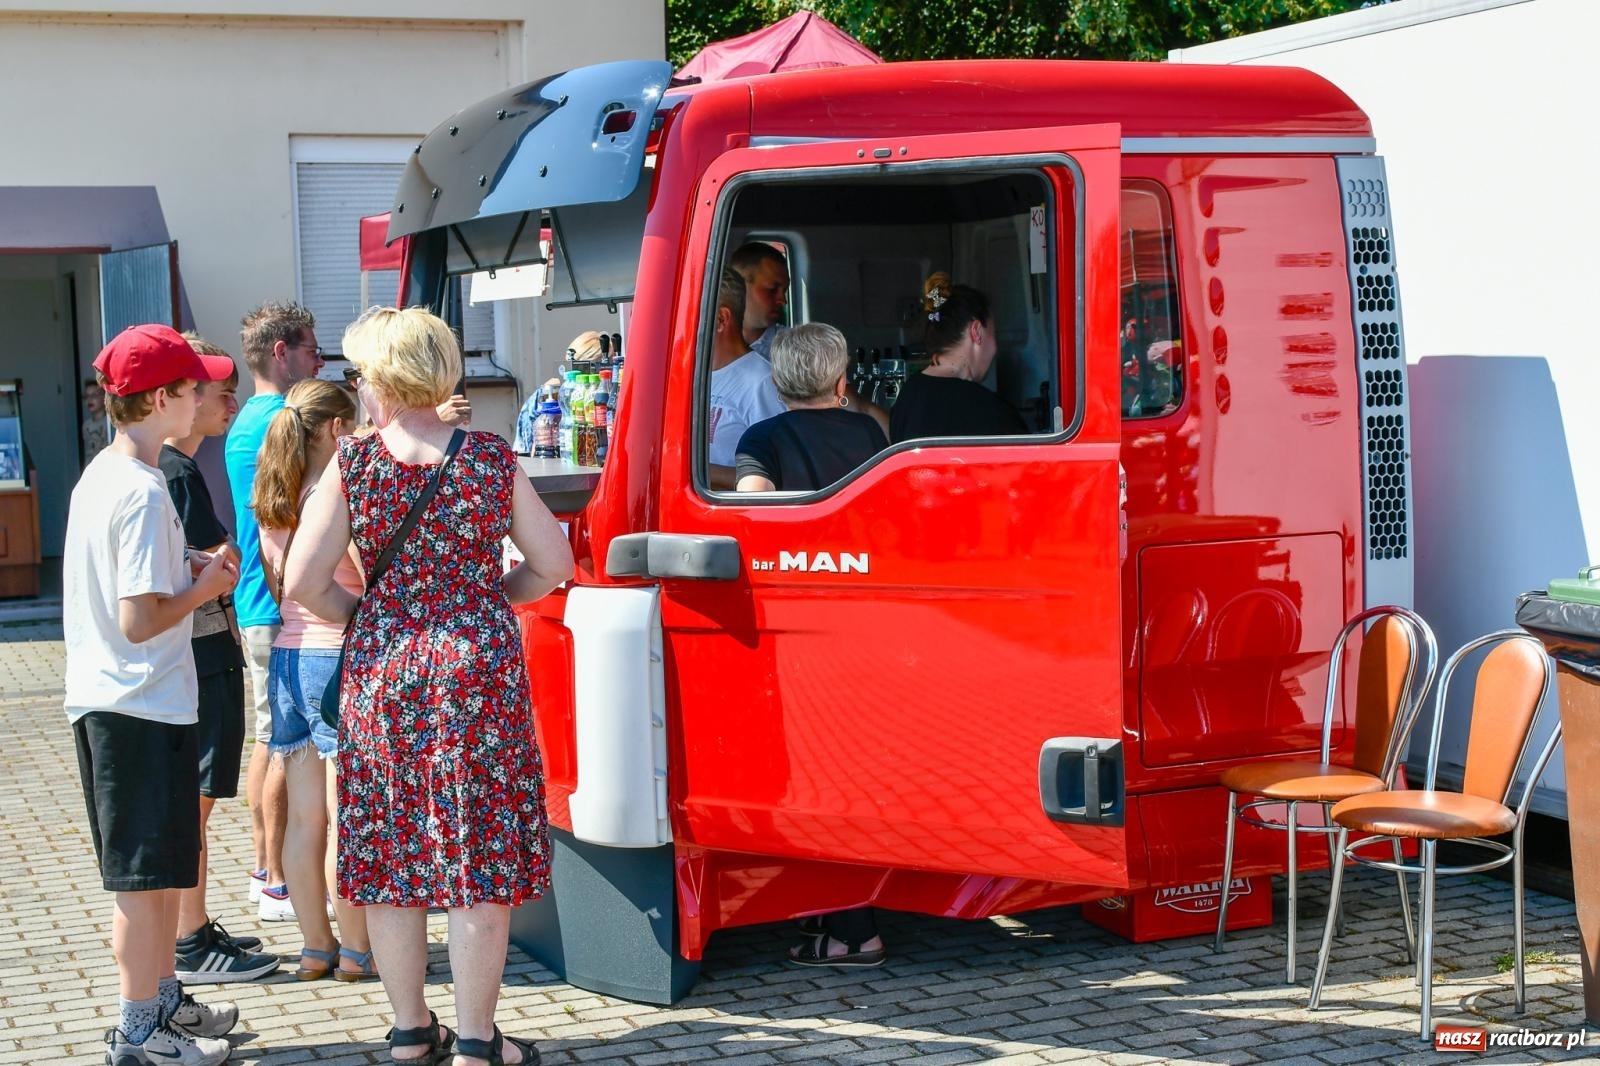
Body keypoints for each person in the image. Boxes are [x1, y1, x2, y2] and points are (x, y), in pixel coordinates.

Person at [286, 306, 574, 1066]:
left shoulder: (354, 464)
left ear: (381, 377)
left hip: (385, 671)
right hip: (477, 672)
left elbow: (302, 581)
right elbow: (554, 564)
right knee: (478, 857)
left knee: (393, 851)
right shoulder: (486, 458)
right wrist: (483, 602)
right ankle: (478, 1043)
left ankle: (412, 1031)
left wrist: (372, 613)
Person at [64, 324, 244, 1065]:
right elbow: (138, 619)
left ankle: (162, 1002)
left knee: (163, 870)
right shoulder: (139, 490)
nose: (204, 396)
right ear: (162, 398)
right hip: (134, 704)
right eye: (194, 386)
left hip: (135, 702)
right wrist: (205, 585)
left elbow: (131, 586)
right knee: (143, 884)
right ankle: (138, 1031)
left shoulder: (111, 473)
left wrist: (187, 564)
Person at [160, 335, 280, 982]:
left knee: (195, 804)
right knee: (194, 806)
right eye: (217, 391)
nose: (230, 403)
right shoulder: (174, 471)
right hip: (201, 651)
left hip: (202, 650)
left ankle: (194, 928)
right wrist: (221, 562)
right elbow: (215, 565)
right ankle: (188, 940)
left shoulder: (175, 467)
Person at [254, 379, 380, 984]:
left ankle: (314, 947)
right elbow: (356, 571)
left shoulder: (273, 496)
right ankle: (356, 950)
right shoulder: (335, 495)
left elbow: (279, 583)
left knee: (306, 820)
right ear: (334, 429)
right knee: (344, 815)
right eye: (350, 426)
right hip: (335, 660)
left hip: (287, 657)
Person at [226, 300, 321, 922]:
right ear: (282, 352)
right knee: (289, 746)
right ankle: (276, 881)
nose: (321, 362)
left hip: (262, 601)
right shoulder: (281, 420)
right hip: (278, 604)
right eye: (313, 350)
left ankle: (267, 871)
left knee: (271, 740)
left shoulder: (249, 419)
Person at [734, 322, 887, 493]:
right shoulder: (867, 429)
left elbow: (751, 500)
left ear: (775, 382)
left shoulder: (759, 437)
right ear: (841, 384)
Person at [889, 272, 1028, 442]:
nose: (995, 347)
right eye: (993, 333)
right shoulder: (990, 410)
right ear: (976, 332)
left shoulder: (907, 396)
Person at [708, 266, 786, 488]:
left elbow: (778, 474)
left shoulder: (762, 382)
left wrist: (693, 471)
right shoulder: (695, 377)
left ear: (721, 319)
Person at [729, 241, 789, 358]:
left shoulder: (794, 349)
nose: (783, 300)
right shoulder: (706, 344)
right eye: (772, 289)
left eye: (785, 290)